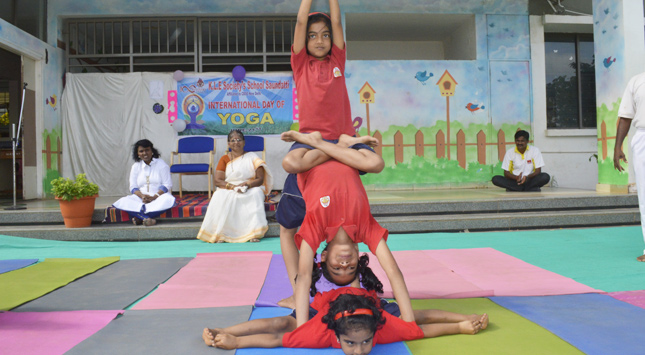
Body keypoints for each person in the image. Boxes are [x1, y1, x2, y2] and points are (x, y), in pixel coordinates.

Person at [202, 260, 488, 352]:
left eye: (365, 343)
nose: (360, 350)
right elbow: (276, 338)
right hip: (328, 308)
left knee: (410, 316)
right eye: (351, 344)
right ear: (336, 337)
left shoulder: (380, 329)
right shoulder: (321, 333)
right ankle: (220, 329)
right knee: (282, 322)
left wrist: (463, 324)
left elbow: (420, 327)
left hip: (367, 305)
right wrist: (234, 340)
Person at [281, 0, 358, 175]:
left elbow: (337, 22)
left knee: (375, 163)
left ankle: (336, 147)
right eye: (312, 36)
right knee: (291, 163)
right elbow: (301, 21)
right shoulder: (300, 65)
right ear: (306, 40)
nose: (319, 41)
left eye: (325, 35)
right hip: (311, 138)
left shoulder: (337, 61)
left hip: (342, 135)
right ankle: (338, 150)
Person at [196, 130, 273, 243]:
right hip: (229, 187)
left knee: (256, 193)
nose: (236, 143)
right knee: (219, 195)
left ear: (244, 142)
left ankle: (253, 233)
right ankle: (222, 234)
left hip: (250, 187)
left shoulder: (252, 157)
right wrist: (232, 187)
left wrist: (247, 184)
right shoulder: (224, 159)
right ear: (228, 144)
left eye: (239, 140)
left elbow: (260, 179)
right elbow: (218, 180)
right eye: (232, 140)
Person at [614, 72, 645, 262]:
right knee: (644, 194)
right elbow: (625, 116)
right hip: (643, 137)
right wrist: (618, 146)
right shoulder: (637, 81)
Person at [112, 139, 175, 226]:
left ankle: (139, 218)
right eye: (141, 151)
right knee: (123, 201)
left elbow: (167, 184)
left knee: (169, 199)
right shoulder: (135, 166)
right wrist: (142, 196)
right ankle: (147, 219)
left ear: (152, 151)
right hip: (141, 197)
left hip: (158, 196)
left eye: (147, 150)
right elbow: (133, 187)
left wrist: (154, 197)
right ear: (137, 154)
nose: (144, 153)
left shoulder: (161, 164)